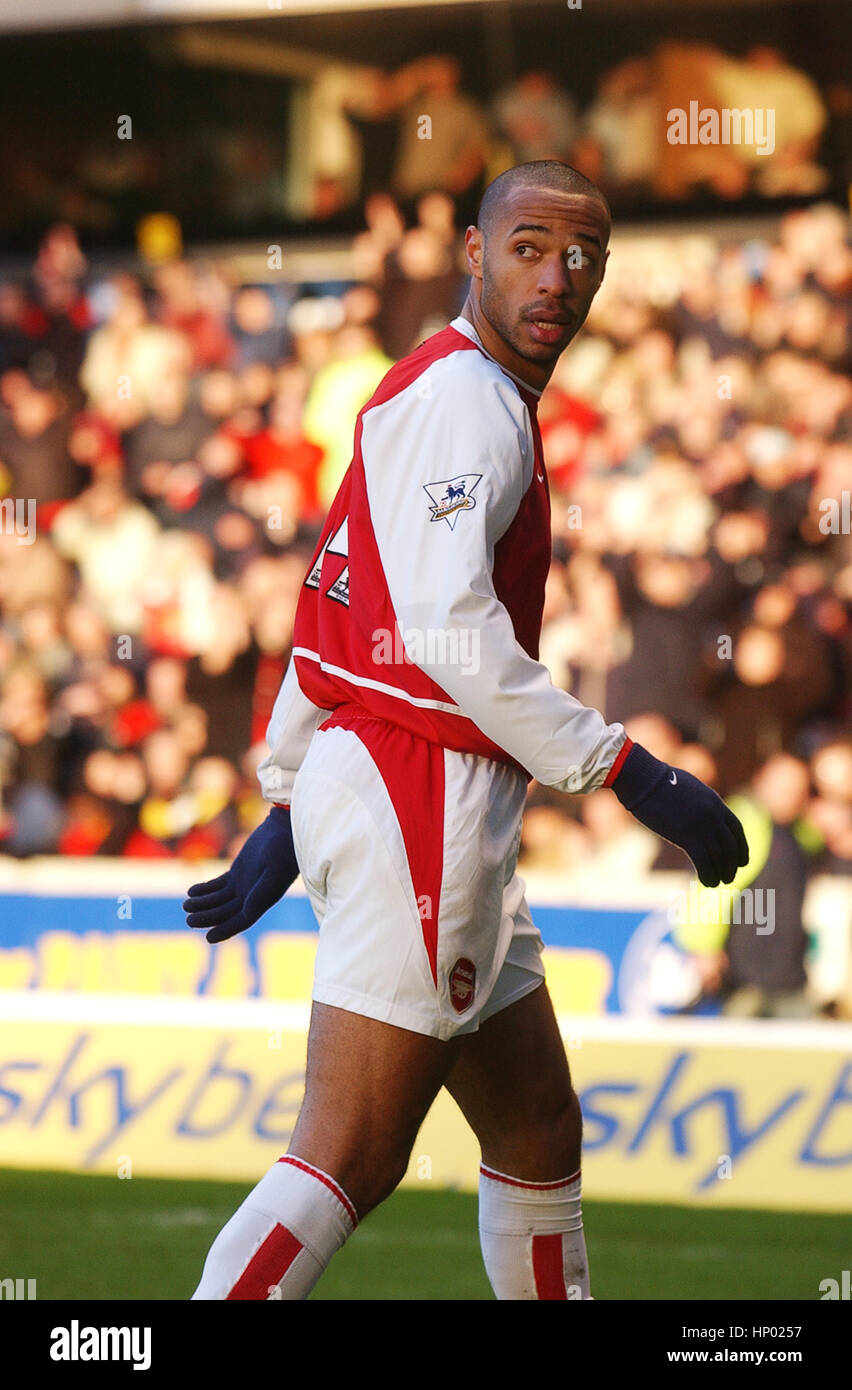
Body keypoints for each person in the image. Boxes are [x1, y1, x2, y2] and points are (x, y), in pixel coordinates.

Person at [184, 160, 748, 1301]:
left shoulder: (437, 385)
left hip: (408, 789)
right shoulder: (468, 402)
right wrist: (629, 770)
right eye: (530, 246)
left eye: (580, 253)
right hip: (420, 795)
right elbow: (446, 632)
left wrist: (287, 798)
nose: (557, 276)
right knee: (348, 1151)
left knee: (538, 1127)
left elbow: (334, 586)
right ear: (476, 253)